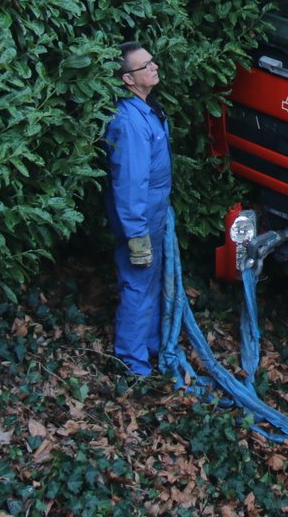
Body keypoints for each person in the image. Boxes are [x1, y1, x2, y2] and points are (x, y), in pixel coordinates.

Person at [104, 41, 173, 377]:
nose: (154, 67)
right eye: (144, 65)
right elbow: (130, 183)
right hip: (140, 221)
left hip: (154, 215)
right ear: (128, 80)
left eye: (152, 61)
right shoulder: (130, 123)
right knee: (138, 285)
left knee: (149, 283)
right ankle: (133, 364)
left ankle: (151, 350)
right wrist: (136, 236)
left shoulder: (147, 111)